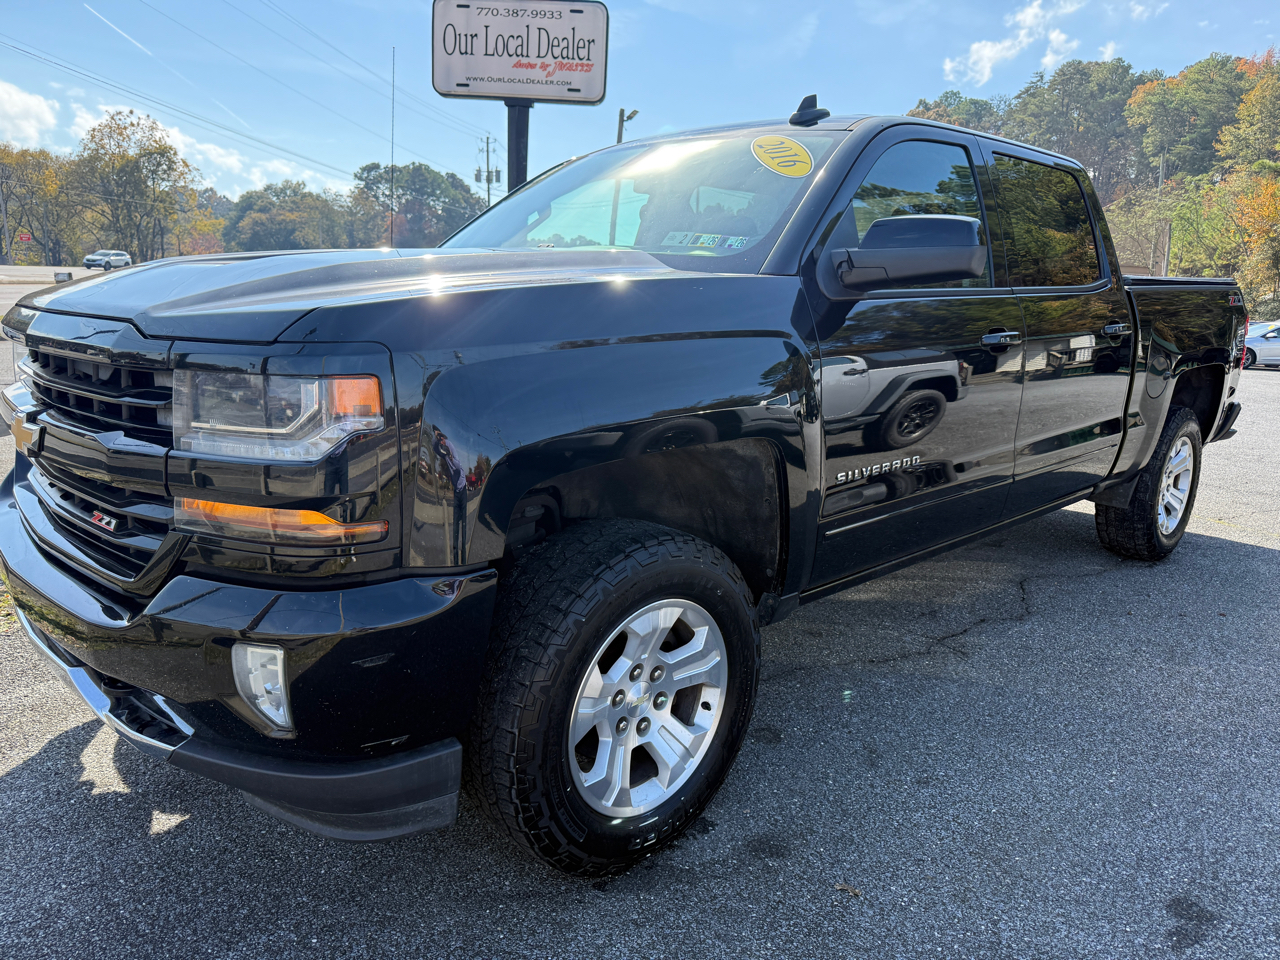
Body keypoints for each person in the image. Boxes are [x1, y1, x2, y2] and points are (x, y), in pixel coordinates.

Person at [432, 428, 468, 561]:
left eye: (440, 437)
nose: (439, 439)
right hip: (455, 490)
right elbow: (435, 449)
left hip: (462, 487)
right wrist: (435, 439)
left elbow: (458, 467)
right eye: (438, 437)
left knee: (464, 520)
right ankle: (455, 549)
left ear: (444, 437)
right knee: (455, 520)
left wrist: (450, 456)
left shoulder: (449, 445)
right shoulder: (442, 449)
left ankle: (464, 549)